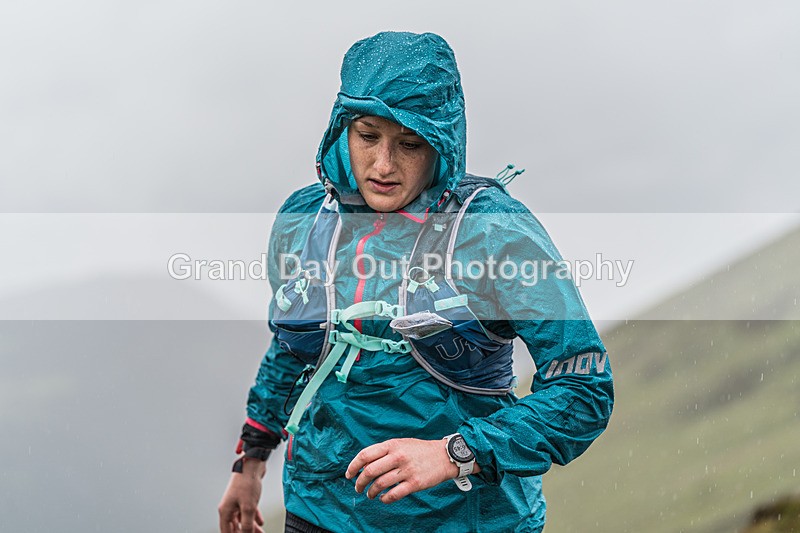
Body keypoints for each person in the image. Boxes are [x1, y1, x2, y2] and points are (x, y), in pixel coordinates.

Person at [218, 31, 614, 533]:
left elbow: (584, 390)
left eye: (410, 144)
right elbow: (294, 347)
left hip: (463, 520)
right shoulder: (306, 220)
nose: (383, 166)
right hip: (318, 510)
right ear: (341, 129)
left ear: (443, 144)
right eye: (367, 136)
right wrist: (250, 464)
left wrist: (454, 454)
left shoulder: (493, 233)